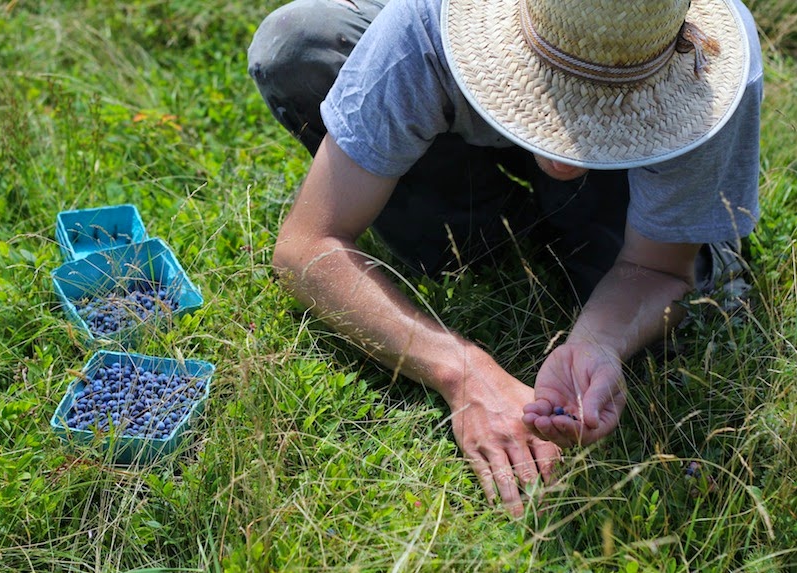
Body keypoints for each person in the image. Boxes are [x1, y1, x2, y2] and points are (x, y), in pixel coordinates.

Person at [248, 0, 762, 516]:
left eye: (604, 112)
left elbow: (656, 269)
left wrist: (599, 343)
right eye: (551, 97)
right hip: (446, 78)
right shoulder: (424, 26)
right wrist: (462, 372)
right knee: (297, 44)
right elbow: (306, 246)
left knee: (688, 280)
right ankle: (485, 223)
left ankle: (609, 226)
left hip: (635, 172)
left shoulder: (713, 73)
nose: (564, 157)